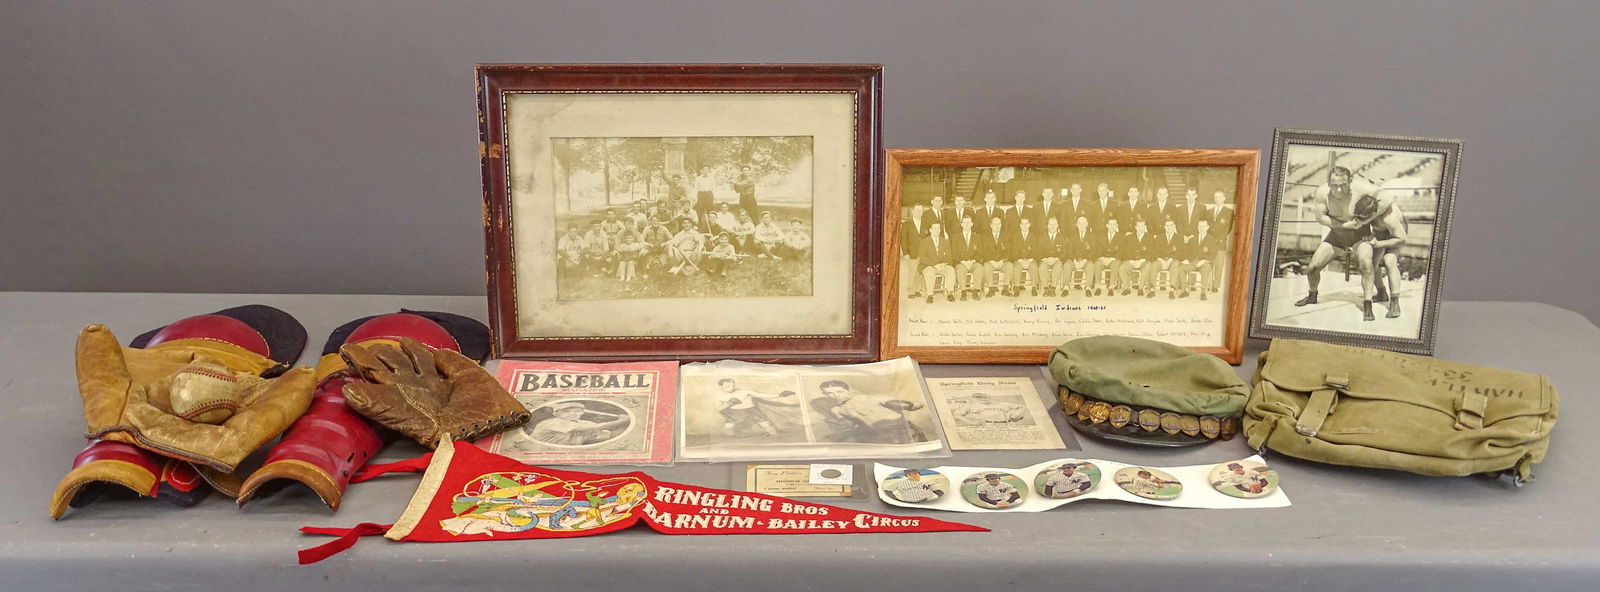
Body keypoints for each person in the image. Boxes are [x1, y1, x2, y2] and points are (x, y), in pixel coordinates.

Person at [1293, 165, 1389, 322]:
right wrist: (1345, 225)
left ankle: (1367, 305)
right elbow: (1321, 218)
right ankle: (1312, 295)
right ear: (1329, 182)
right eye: (1334, 185)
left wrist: (1367, 220)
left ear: (1350, 181)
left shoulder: (1361, 189)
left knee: (1366, 264)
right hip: (1337, 237)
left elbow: (1386, 199)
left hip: (1360, 237)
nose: (1338, 190)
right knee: (1313, 267)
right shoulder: (1322, 192)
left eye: (1342, 185)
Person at [816, 379, 926, 444]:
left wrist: (912, 404)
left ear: (848, 390)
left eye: (839, 391)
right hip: (877, 438)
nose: (835, 396)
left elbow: (914, 406)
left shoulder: (873, 398)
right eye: (829, 393)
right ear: (825, 395)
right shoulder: (837, 410)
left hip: (902, 431)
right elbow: (847, 428)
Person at [1363, 194, 1409, 319]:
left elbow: (1402, 239)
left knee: (1389, 261)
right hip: (1380, 231)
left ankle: (1395, 303)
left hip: (1397, 234)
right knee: (1371, 263)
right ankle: (1382, 292)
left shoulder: (1388, 217)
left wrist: (1380, 244)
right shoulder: (1363, 207)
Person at [714, 378, 797, 438]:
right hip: (735, 413)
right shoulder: (718, 396)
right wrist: (729, 403)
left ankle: (775, 436)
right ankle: (731, 441)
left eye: (732, 385)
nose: (731, 387)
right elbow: (718, 409)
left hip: (751, 410)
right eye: (727, 386)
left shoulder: (744, 392)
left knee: (766, 425)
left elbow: (762, 396)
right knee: (728, 428)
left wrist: (779, 395)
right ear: (720, 387)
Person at [527, 402, 630, 446]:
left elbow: (610, 435)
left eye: (577, 411)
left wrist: (627, 425)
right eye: (566, 411)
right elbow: (599, 426)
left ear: (582, 413)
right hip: (530, 455)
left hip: (562, 460)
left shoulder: (584, 423)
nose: (572, 414)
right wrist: (625, 420)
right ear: (556, 414)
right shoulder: (552, 422)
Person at [918, 221, 956, 303]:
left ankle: (950, 293)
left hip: (942, 265)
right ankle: (930, 295)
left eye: (938, 228)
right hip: (929, 266)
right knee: (929, 272)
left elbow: (950, 256)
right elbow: (922, 258)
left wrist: (943, 264)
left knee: (951, 270)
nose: (937, 230)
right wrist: (935, 265)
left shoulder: (945, 241)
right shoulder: (924, 242)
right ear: (930, 230)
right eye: (934, 228)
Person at [1152, 219, 1190, 299]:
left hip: (1172, 261)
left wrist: (1171, 259)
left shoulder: (1179, 237)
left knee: (1176, 264)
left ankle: (1172, 289)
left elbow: (1181, 252)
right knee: (1154, 264)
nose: (1169, 227)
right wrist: (1161, 259)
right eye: (1167, 225)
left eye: (1171, 225)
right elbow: (1155, 251)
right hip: (1161, 261)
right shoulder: (1159, 237)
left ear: (1174, 226)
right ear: (1164, 227)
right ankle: (1152, 289)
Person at [950, 215, 983, 300]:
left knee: (979, 268)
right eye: (965, 222)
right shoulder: (955, 237)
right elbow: (954, 253)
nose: (967, 224)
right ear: (961, 224)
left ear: (972, 224)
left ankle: (975, 292)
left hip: (973, 263)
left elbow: (980, 253)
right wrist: (963, 262)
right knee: (960, 270)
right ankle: (963, 292)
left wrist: (972, 261)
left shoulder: (977, 237)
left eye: (968, 222)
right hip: (961, 263)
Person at [1118, 219, 1155, 296]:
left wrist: (1142, 260)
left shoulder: (1150, 237)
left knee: (1148, 265)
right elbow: (1125, 251)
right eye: (1138, 226)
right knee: (1122, 267)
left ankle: (1141, 288)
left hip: (1143, 261)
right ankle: (1127, 288)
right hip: (1132, 261)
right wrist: (1131, 260)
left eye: (1142, 226)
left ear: (1145, 227)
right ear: (1135, 227)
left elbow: (1151, 252)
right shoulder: (1130, 237)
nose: (1140, 228)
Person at [979, 216, 1013, 297]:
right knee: (986, 266)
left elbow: (1009, 251)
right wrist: (991, 261)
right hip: (991, 262)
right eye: (994, 224)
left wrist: (1002, 260)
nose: (997, 226)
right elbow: (984, 251)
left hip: (1002, 262)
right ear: (991, 225)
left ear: (1001, 225)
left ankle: (1005, 288)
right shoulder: (985, 236)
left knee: (1010, 265)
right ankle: (991, 289)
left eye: (998, 224)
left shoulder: (1006, 235)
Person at [1187, 219, 1221, 300]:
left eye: (1203, 226)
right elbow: (1188, 251)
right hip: (1194, 261)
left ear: (1207, 227)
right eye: (1200, 226)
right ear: (1197, 227)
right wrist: (1189, 260)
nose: (1201, 228)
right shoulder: (1193, 238)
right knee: (1183, 267)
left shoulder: (1211, 239)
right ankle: (1184, 289)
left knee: (1206, 268)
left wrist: (1204, 260)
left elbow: (1213, 254)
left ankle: (1203, 292)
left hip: (1205, 262)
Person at [901, 202, 930, 298]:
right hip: (912, 253)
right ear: (913, 211)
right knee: (912, 272)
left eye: (921, 210)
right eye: (917, 210)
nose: (919, 212)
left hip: (924, 253)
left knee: (920, 272)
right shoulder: (906, 224)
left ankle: (918, 290)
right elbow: (903, 240)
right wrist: (905, 253)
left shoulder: (926, 222)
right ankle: (910, 291)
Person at [1063, 216, 1096, 297]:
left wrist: (1084, 260)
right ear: (1077, 225)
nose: (1082, 225)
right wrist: (1075, 261)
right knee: (1066, 265)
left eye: (1083, 223)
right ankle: (1066, 287)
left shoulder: (1092, 236)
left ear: (1087, 224)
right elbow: (1069, 250)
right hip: (1074, 260)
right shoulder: (1072, 236)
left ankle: (1088, 288)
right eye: (1080, 224)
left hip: (1086, 260)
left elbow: (1093, 251)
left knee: (1091, 265)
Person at [1037, 216, 1069, 296]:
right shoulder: (1041, 237)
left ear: (1058, 225)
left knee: (1058, 266)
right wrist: (1045, 259)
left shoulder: (1062, 237)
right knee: (1042, 267)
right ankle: (1046, 288)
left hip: (1057, 260)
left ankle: (1053, 288)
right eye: (1050, 224)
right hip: (1045, 260)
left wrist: (1056, 259)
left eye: (1054, 224)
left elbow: (1065, 252)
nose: (1052, 226)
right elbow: (1038, 252)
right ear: (1047, 226)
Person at [1095, 217, 1126, 296]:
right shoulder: (1101, 236)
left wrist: (1112, 259)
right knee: (1097, 264)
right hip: (1103, 259)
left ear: (1117, 226)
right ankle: (1098, 286)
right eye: (1110, 224)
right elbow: (1098, 249)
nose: (1112, 227)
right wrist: (1102, 258)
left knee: (1115, 265)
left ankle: (1111, 287)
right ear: (1107, 225)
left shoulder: (1121, 236)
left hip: (1115, 259)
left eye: (1114, 225)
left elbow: (1122, 252)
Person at [950, 393, 1026, 425]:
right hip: (986, 425)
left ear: (989, 397)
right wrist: (970, 422)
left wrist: (1015, 415)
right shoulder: (972, 405)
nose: (982, 399)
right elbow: (956, 415)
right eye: (978, 398)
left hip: (1007, 425)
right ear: (976, 399)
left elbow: (1022, 407)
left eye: (984, 397)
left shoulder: (1001, 403)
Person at [1011, 217, 1041, 296]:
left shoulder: (1034, 236)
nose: (1024, 226)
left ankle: (1034, 288)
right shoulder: (1014, 236)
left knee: (1034, 267)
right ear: (1020, 225)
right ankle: (1017, 288)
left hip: (1030, 260)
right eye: (1022, 224)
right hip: (1019, 260)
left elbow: (1036, 251)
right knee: (1016, 268)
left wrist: (1029, 261)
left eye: (1026, 224)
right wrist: (1020, 260)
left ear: (1029, 225)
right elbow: (1013, 251)